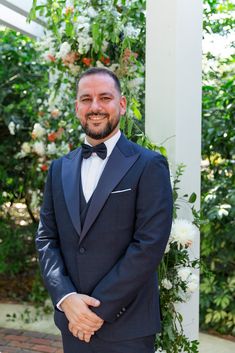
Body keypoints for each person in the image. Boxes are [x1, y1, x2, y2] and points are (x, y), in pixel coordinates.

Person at [36, 67, 173, 353]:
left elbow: (148, 245)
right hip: (72, 323)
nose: (95, 107)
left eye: (105, 97)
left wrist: (97, 311)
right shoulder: (59, 168)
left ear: (121, 105)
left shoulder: (149, 165)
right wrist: (66, 298)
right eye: (86, 99)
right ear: (77, 108)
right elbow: (46, 239)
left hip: (127, 328)